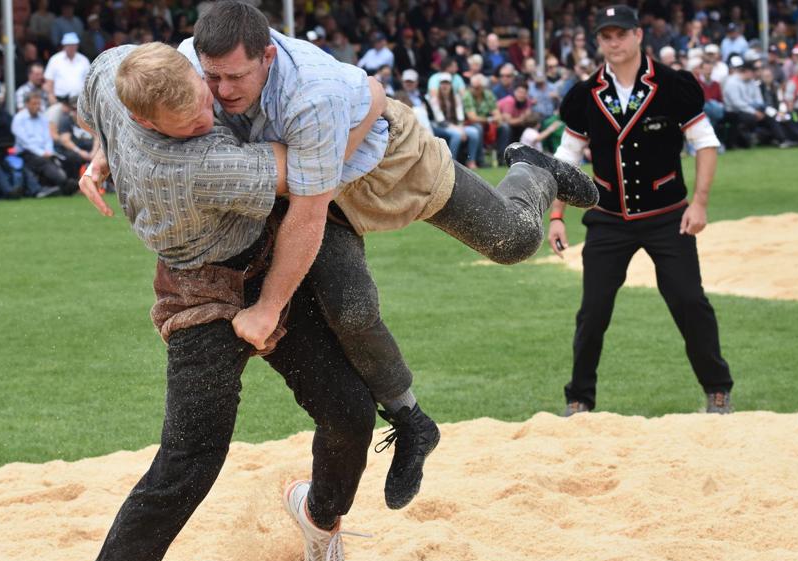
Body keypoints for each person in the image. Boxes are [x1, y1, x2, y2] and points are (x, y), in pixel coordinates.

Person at [179, 0, 596, 514]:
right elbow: (129, 96)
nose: (221, 91)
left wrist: (266, 310)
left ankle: (534, 169)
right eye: (211, 77)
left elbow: (310, 205)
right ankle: (411, 421)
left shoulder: (313, 90)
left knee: (513, 241)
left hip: (388, 163)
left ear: (267, 56)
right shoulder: (188, 68)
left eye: (234, 77)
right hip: (318, 193)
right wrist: (108, 151)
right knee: (351, 309)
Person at [74, 43, 385, 561]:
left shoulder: (118, 73)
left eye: (204, 97)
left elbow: (93, 98)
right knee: (188, 463)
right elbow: (311, 171)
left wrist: (101, 151)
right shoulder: (194, 164)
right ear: (144, 121)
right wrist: (367, 102)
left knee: (350, 413)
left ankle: (319, 518)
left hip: (265, 265)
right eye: (191, 121)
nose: (209, 114)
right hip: (200, 289)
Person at [547, 5, 735, 416]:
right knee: (592, 312)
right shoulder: (584, 94)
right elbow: (567, 157)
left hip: (669, 216)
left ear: (637, 36)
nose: (613, 43)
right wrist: (557, 215)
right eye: (606, 36)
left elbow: (705, 142)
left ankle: (717, 389)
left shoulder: (673, 85)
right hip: (608, 220)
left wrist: (699, 203)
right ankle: (579, 398)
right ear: (598, 42)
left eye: (621, 34)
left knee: (689, 301)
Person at [12, 90, 75, 196]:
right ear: (27, 104)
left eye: (39, 104)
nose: (37, 106)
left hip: (45, 152)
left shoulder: (43, 118)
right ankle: (63, 183)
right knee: (43, 161)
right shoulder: (19, 119)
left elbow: (47, 138)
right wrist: (42, 153)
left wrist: (49, 151)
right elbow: (25, 142)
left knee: (66, 157)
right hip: (26, 152)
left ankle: (63, 185)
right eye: (34, 104)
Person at [43, 32, 90, 105]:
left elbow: (88, 81)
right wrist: (50, 95)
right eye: (69, 45)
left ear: (77, 45)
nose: (71, 47)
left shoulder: (84, 60)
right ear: (64, 46)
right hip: (59, 100)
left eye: (73, 45)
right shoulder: (54, 60)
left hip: (79, 101)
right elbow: (49, 80)